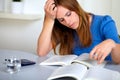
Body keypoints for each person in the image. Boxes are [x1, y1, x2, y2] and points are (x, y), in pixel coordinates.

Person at [37, 0, 120, 64]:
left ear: (76, 8)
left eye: (68, 14)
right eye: (61, 20)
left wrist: (112, 44)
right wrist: (49, 19)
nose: (67, 22)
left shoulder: (104, 22)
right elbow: (41, 52)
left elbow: (118, 58)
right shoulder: (64, 29)